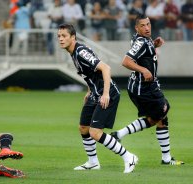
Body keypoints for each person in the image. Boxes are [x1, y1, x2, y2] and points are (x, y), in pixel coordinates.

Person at [57, 23, 138, 174]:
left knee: (95, 132)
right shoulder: (73, 52)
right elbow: (91, 73)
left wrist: (106, 93)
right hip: (95, 93)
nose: (60, 39)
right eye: (59, 36)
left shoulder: (80, 52)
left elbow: (105, 68)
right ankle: (93, 163)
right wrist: (89, 91)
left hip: (108, 93)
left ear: (73, 37)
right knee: (83, 127)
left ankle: (129, 157)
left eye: (64, 36)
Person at [110, 14, 184, 166]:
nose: (147, 28)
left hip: (142, 87)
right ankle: (121, 134)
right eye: (142, 26)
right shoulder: (141, 42)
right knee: (162, 113)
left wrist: (154, 45)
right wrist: (143, 69)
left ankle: (165, 158)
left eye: (148, 24)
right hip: (144, 88)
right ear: (137, 28)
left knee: (160, 118)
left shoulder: (143, 39)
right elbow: (126, 61)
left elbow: (142, 52)